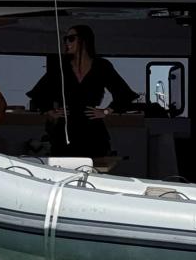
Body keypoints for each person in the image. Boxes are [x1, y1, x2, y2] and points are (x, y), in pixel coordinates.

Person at [28, 23, 138, 160]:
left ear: (84, 40)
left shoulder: (102, 66)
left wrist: (105, 111)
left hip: (92, 129)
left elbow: (124, 94)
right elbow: (38, 93)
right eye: (65, 39)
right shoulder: (61, 67)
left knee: (93, 166)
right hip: (65, 130)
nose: (67, 43)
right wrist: (50, 111)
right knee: (64, 166)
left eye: (71, 38)